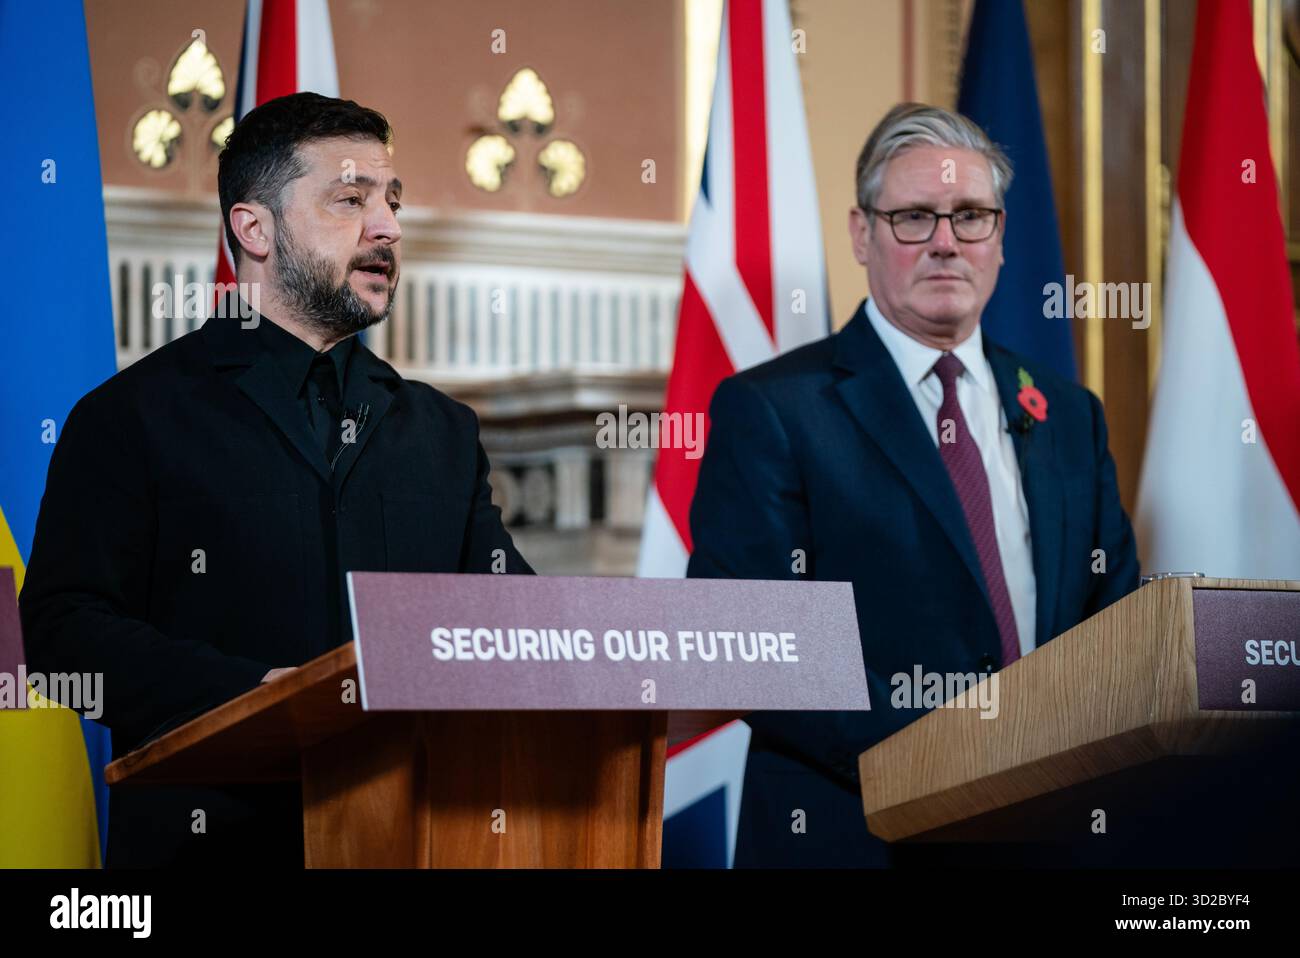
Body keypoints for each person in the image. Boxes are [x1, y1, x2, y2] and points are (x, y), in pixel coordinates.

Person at [20, 92, 531, 867]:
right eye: (350, 200)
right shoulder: (131, 416)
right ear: (254, 230)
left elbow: (512, 621)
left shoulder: (443, 430)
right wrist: (263, 693)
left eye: (392, 201)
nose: (388, 227)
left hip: (414, 841)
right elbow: (62, 635)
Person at [687, 102, 1138, 867]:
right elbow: (756, 641)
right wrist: (960, 765)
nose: (945, 243)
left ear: (1000, 236)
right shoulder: (775, 409)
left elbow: (1113, 620)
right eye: (914, 217)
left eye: (971, 216)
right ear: (862, 234)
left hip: (1049, 832)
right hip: (856, 837)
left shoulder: (1068, 413)